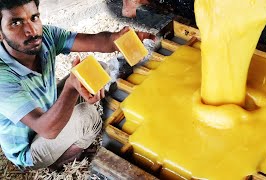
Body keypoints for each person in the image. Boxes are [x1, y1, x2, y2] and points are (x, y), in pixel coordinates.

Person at [0, 0, 154, 170]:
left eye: (34, 17)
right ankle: (57, 163)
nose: (31, 30)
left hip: (46, 112)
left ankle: (66, 134)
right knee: (87, 116)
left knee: (99, 69)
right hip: (30, 149)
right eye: (16, 23)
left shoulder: (46, 37)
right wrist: (72, 88)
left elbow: (96, 41)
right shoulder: (2, 77)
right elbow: (47, 130)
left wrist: (117, 38)